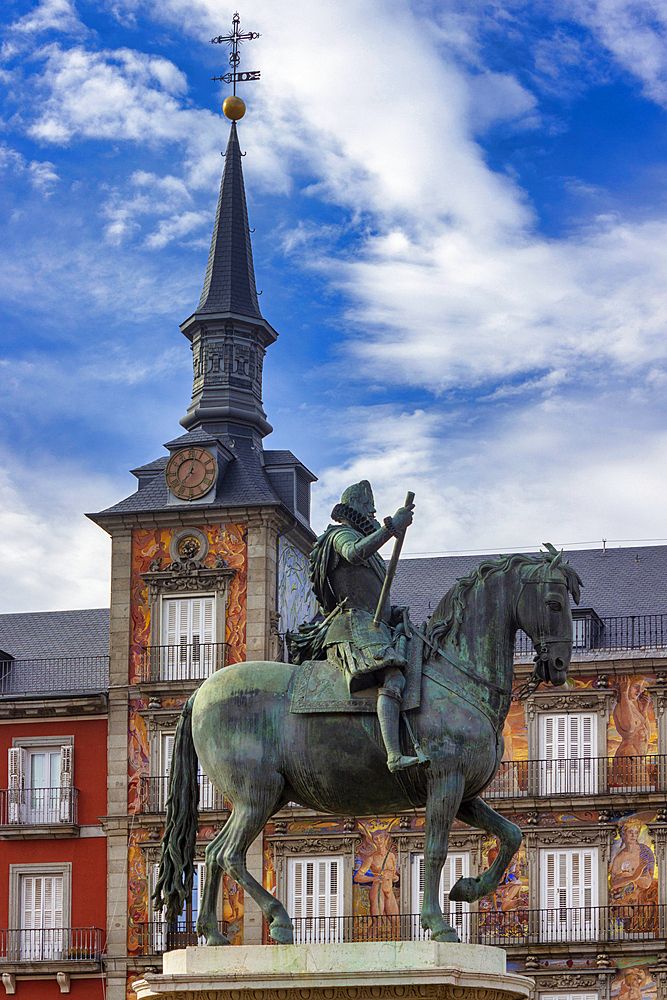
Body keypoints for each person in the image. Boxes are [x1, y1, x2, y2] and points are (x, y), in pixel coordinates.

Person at [295, 480, 424, 772]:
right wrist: (391, 529)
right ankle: (394, 755)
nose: (374, 512)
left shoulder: (368, 545)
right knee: (393, 676)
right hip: (353, 624)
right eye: (369, 507)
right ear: (355, 508)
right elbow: (354, 553)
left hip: (377, 625)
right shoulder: (340, 534)